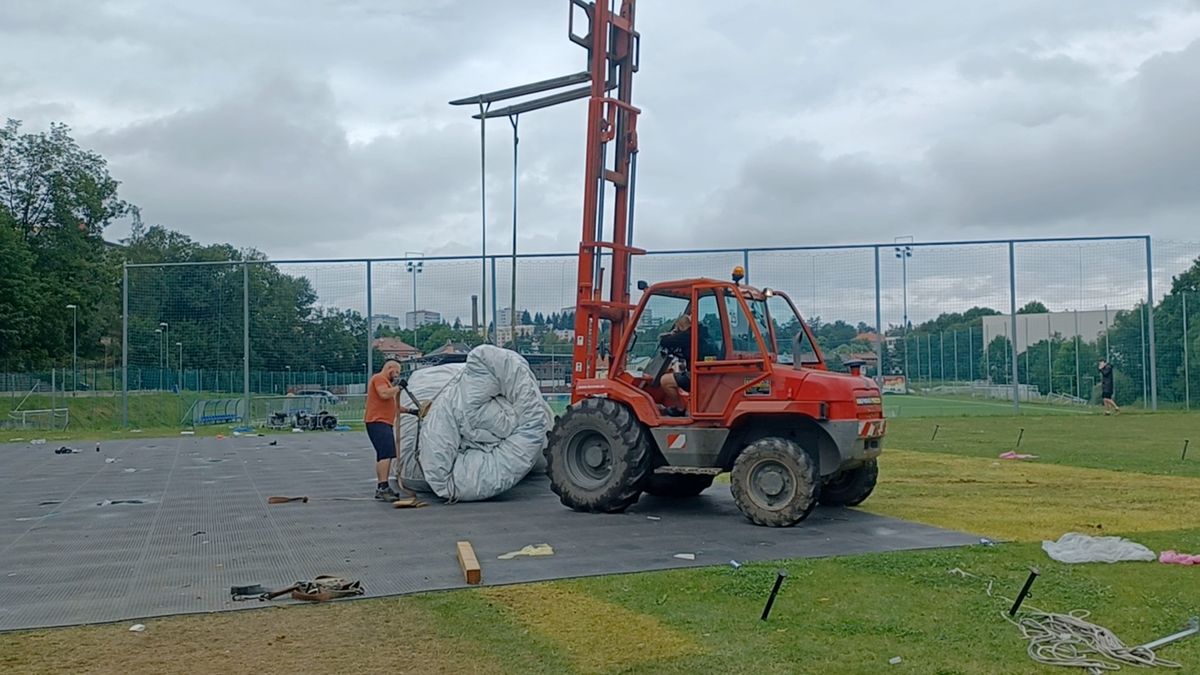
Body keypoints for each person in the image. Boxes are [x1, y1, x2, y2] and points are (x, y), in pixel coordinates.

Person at [364, 359, 404, 500]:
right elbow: (384, 394)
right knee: (385, 454)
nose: (397, 375)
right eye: (397, 372)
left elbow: (393, 406)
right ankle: (383, 487)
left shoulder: (387, 384)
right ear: (390, 368)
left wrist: (412, 411)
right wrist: (398, 388)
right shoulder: (379, 379)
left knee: (385, 454)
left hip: (383, 423)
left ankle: (383, 487)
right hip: (377, 422)